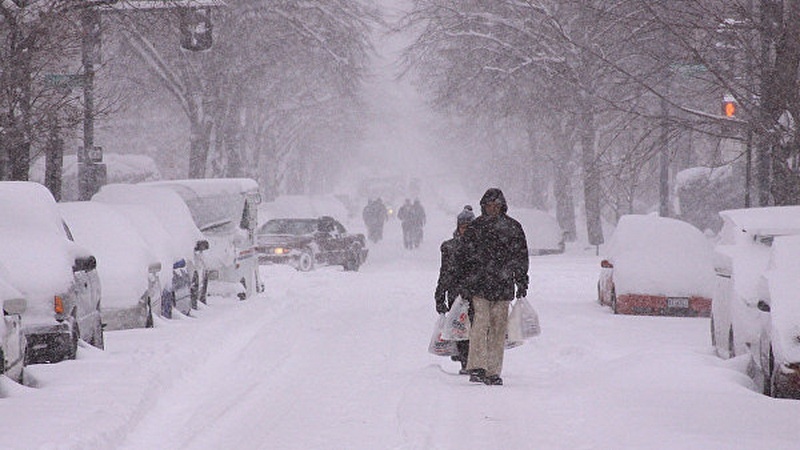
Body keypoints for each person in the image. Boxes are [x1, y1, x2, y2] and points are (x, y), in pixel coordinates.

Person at [457, 188, 528, 386]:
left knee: (498, 328)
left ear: (502, 206)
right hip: (480, 286)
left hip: (502, 287)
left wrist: (522, 280)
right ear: (483, 206)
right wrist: (465, 282)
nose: (493, 209)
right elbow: (465, 258)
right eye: (490, 206)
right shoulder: (477, 228)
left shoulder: (512, 228)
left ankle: (493, 370)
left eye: (496, 206)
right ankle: (479, 366)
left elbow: (520, 257)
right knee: (480, 325)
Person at [434, 205, 475, 374]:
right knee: (460, 329)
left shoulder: (479, 246)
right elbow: (444, 272)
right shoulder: (449, 247)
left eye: (468, 226)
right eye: (462, 226)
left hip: (474, 293)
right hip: (455, 294)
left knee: (473, 328)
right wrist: (440, 295)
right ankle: (465, 362)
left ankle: (472, 361)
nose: (465, 230)